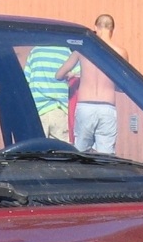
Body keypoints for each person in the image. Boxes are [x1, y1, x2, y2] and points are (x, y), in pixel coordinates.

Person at [55, 14, 129, 154]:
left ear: (96, 27)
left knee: (81, 152)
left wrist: (72, 76)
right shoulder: (121, 52)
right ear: (112, 29)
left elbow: (58, 74)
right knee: (106, 156)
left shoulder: (83, 49)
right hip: (107, 107)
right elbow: (124, 85)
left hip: (85, 106)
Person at [23, 44, 72, 141]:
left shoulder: (35, 51)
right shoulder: (66, 52)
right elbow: (77, 77)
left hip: (39, 110)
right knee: (64, 151)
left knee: (37, 150)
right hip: (60, 110)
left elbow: (25, 81)